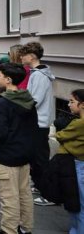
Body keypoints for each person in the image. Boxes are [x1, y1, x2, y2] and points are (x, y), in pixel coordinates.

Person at [0, 63, 38, 234]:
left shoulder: (4, 103)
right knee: (24, 195)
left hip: (6, 156)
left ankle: (8, 230)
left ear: (8, 79)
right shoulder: (28, 100)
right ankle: (26, 228)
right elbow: (32, 129)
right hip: (23, 155)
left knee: (9, 198)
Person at [17, 42, 56, 207]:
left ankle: (50, 194)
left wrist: (20, 108)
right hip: (38, 121)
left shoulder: (39, 75)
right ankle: (41, 186)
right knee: (37, 157)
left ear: (32, 56)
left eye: (24, 54)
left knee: (40, 159)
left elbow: (35, 100)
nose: (21, 57)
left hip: (39, 122)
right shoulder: (37, 73)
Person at [57, 89, 84, 233]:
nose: (69, 104)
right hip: (78, 164)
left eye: (72, 101)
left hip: (80, 165)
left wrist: (66, 143)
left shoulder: (80, 123)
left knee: (79, 204)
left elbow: (60, 135)